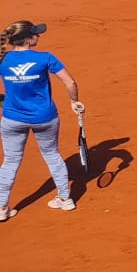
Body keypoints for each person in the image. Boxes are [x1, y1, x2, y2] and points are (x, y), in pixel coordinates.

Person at [1, 21, 84, 218]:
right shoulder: (45, 58)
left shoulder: (3, 59)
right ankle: (65, 199)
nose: (39, 36)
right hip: (45, 118)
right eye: (36, 34)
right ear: (29, 40)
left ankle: (2, 208)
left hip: (12, 119)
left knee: (11, 161)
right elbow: (70, 82)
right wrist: (74, 102)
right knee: (52, 155)